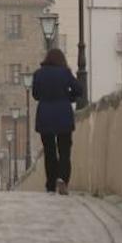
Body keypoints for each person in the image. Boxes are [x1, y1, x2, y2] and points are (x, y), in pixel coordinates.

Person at [32, 48, 83, 196]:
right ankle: (62, 178)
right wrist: (68, 96)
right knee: (64, 149)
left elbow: (35, 95)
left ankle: (50, 184)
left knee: (49, 151)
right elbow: (79, 90)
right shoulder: (65, 73)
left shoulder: (38, 74)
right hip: (63, 115)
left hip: (45, 115)